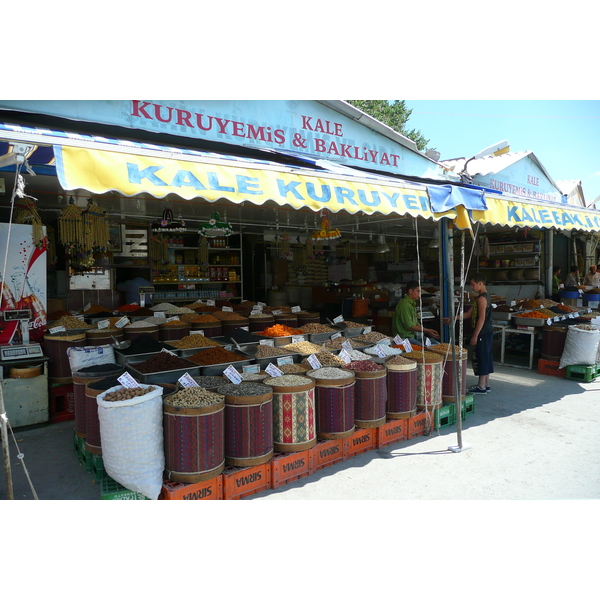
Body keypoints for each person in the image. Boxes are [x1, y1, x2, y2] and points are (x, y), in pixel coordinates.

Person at [443, 273, 493, 394]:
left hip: (483, 331)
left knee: (482, 357)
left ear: (480, 283)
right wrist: (453, 318)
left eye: (473, 284)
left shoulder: (482, 299)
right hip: (487, 331)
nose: (472, 287)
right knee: (486, 356)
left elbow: (481, 318)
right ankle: (486, 384)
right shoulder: (481, 298)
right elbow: (468, 314)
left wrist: (475, 335)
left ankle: (481, 386)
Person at [392, 280, 440, 346]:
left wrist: (429, 331)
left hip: (414, 335)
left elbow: (415, 323)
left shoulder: (412, 303)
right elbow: (409, 326)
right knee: (424, 348)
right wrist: (427, 330)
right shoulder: (404, 305)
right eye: (418, 291)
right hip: (404, 337)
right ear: (410, 291)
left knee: (437, 344)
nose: (420, 294)